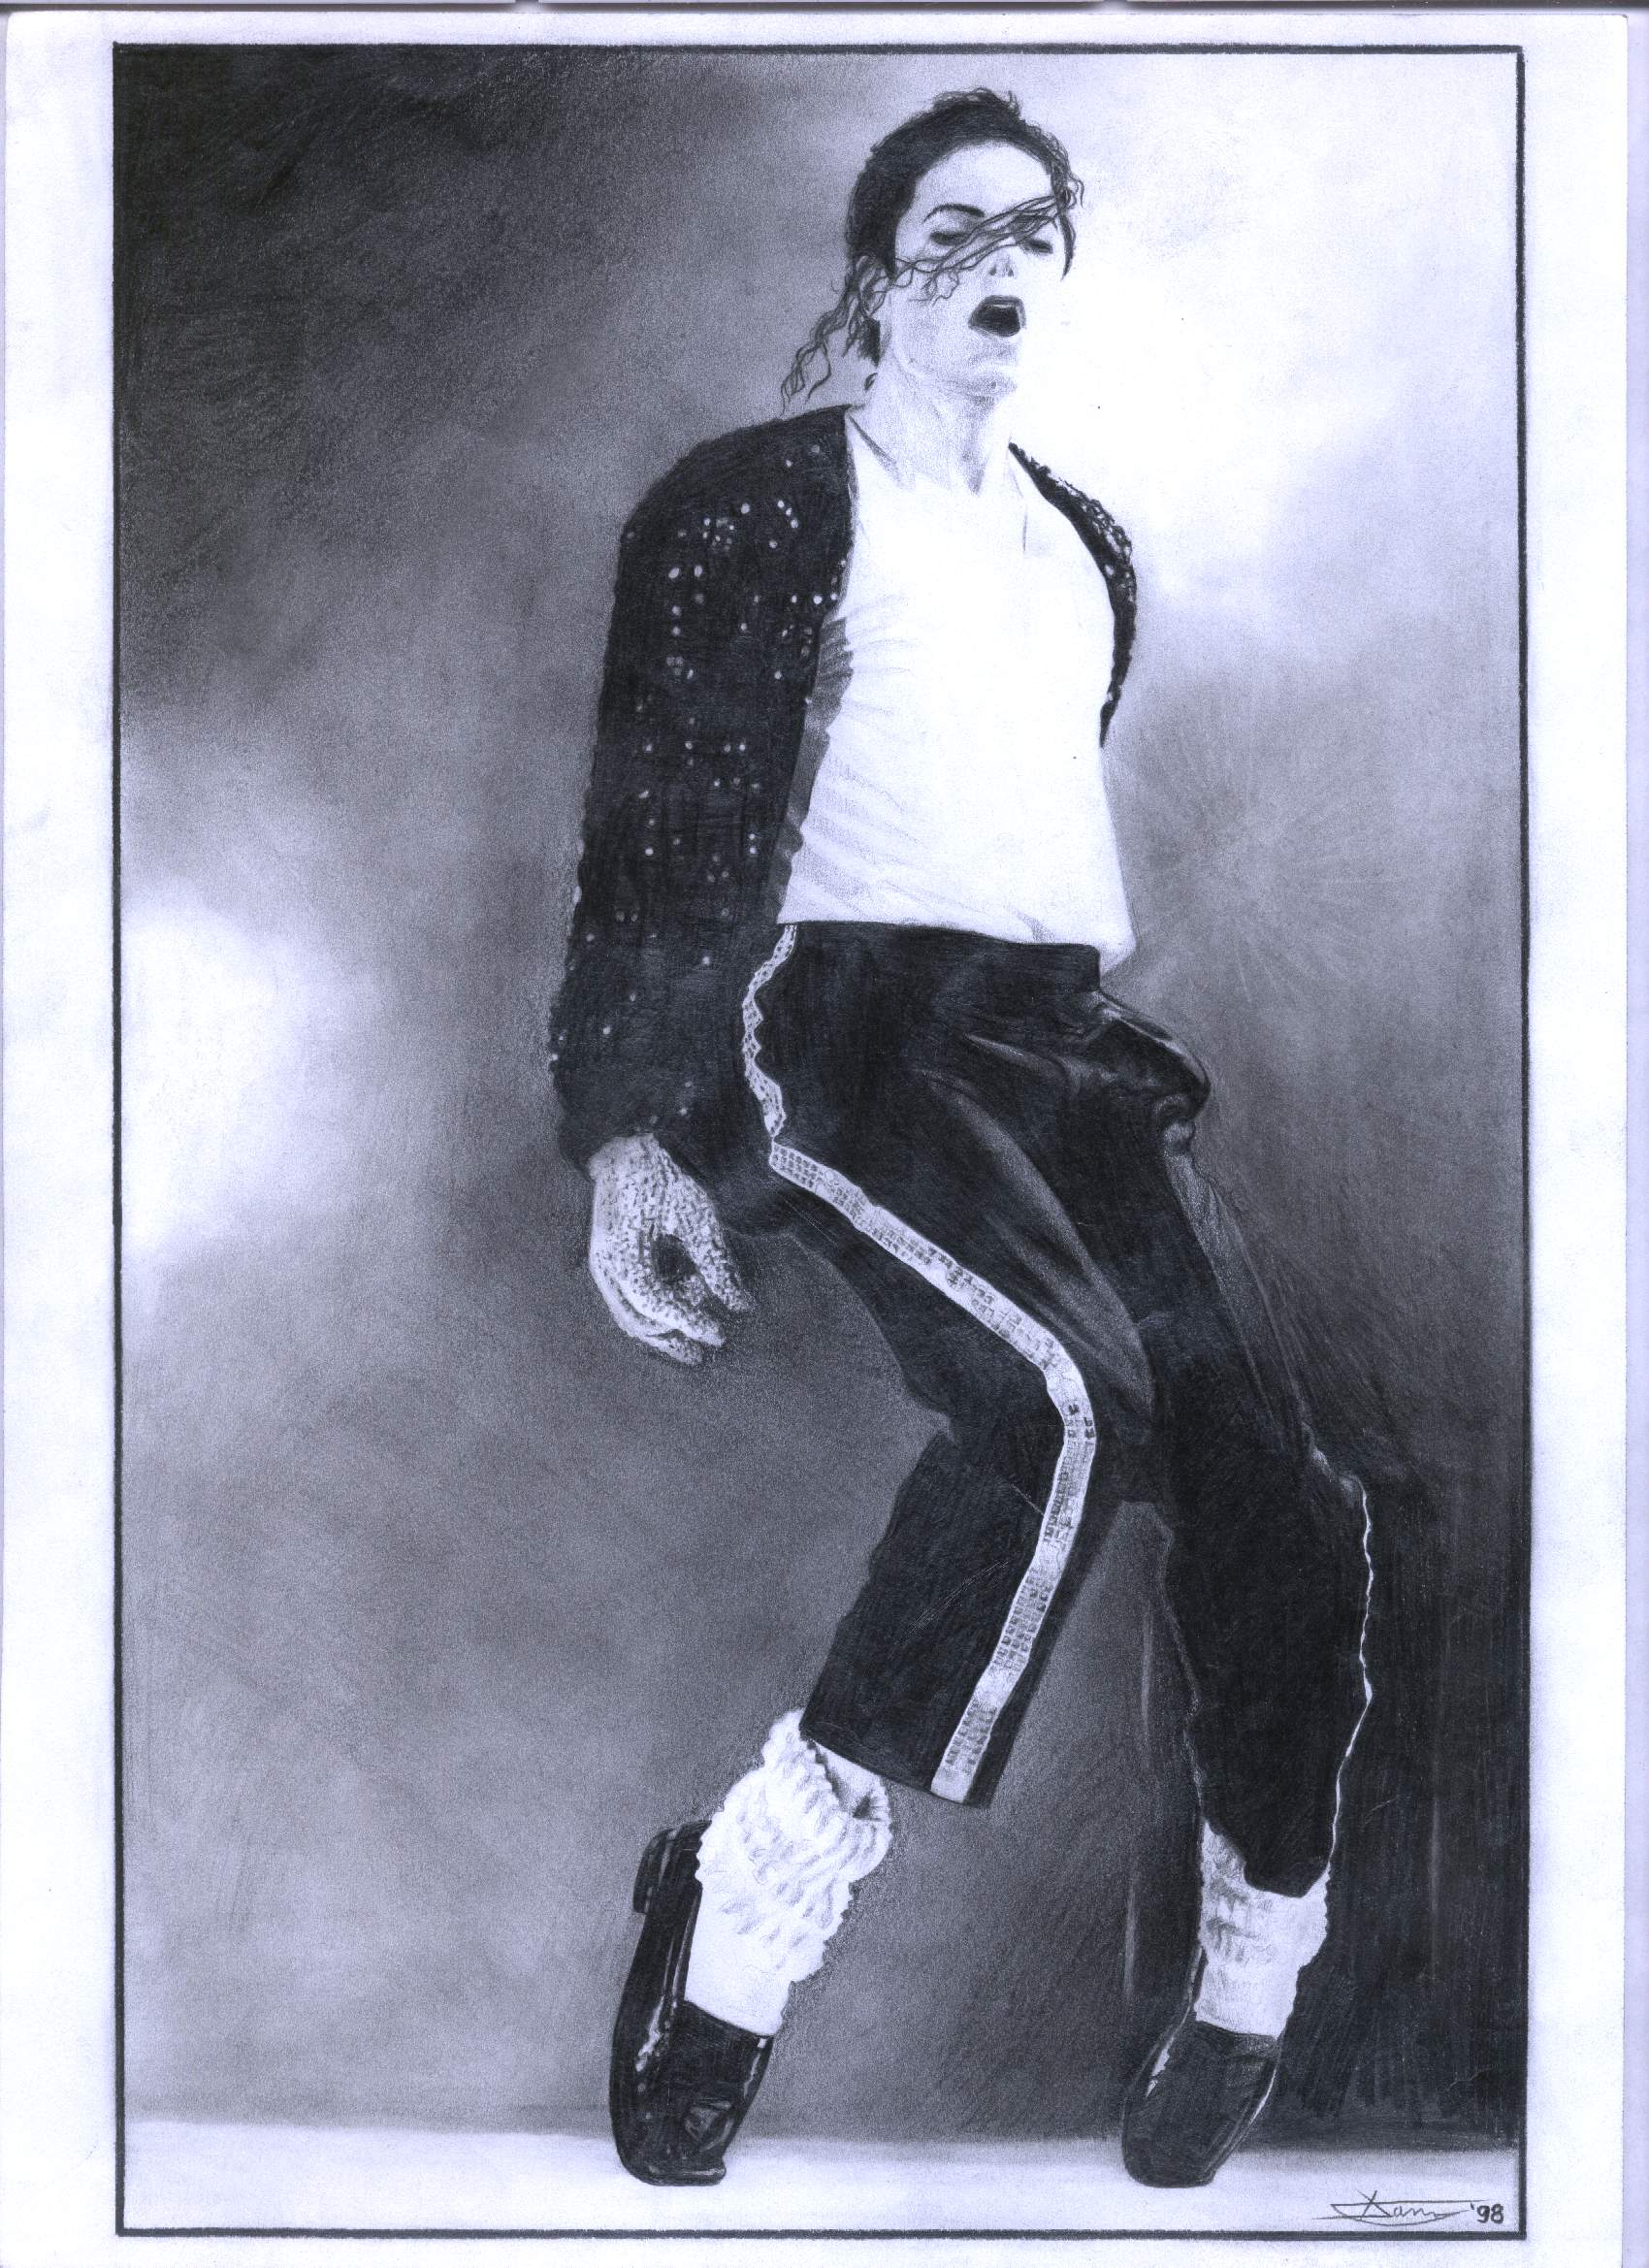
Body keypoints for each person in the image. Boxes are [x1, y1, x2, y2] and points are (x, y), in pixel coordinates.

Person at [551, 89, 1374, 2193]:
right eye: (950, 229)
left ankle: (1249, 1974)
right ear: (873, 278)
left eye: (1032, 231)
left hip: (1055, 1047)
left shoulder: (1081, 546)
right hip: (845, 1031)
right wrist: (632, 1134)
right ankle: (741, 1909)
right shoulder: (754, 505)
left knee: (1281, 1500)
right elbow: (653, 832)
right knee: (1054, 1401)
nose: (997, 262)